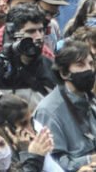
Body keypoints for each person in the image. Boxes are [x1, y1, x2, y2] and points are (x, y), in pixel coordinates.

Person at [33, 39, 96, 170]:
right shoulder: (49, 111)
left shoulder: (89, 98)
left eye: (91, 64)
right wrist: (90, 159)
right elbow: (55, 164)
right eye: (80, 65)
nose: (89, 69)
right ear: (64, 73)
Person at [0, 4, 54, 98]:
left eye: (41, 30)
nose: (39, 36)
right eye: (31, 31)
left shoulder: (49, 66)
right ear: (13, 34)